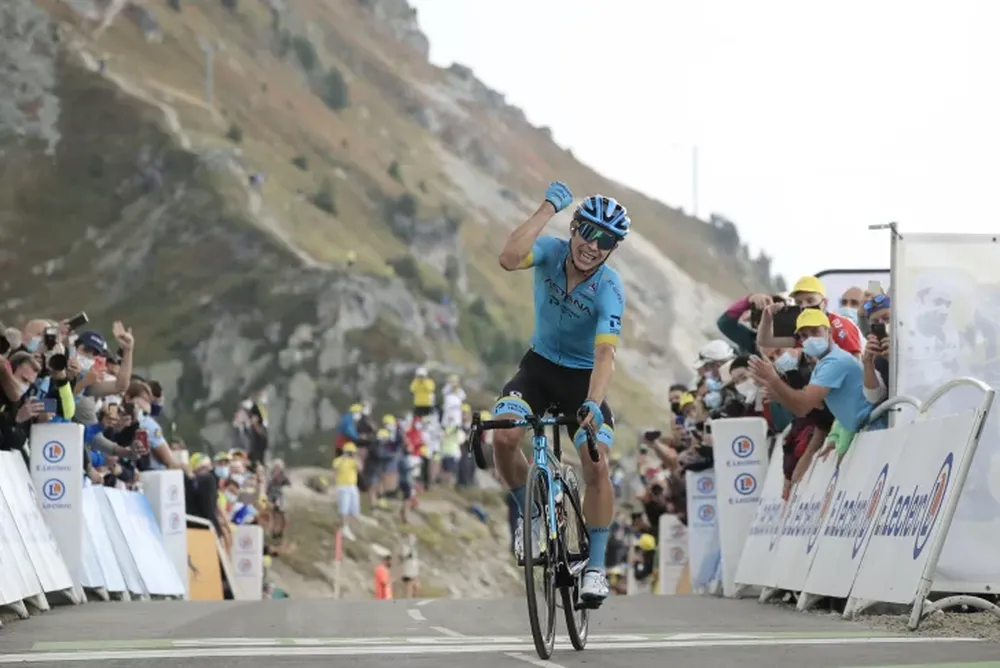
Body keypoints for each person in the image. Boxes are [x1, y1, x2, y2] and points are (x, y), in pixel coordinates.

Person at [489, 181, 629, 604]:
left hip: (583, 380)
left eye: (605, 241)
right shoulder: (549, 252)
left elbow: (605, 354)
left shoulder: (609, 287)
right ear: (574, 228)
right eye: (587, 232)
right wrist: (547, 207)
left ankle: (596, 568)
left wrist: (592, 401)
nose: (592, 245)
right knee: (504, 436)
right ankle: (530, 514)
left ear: (612, 249)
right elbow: (509, 258)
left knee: (596, 463)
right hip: (538, 367)